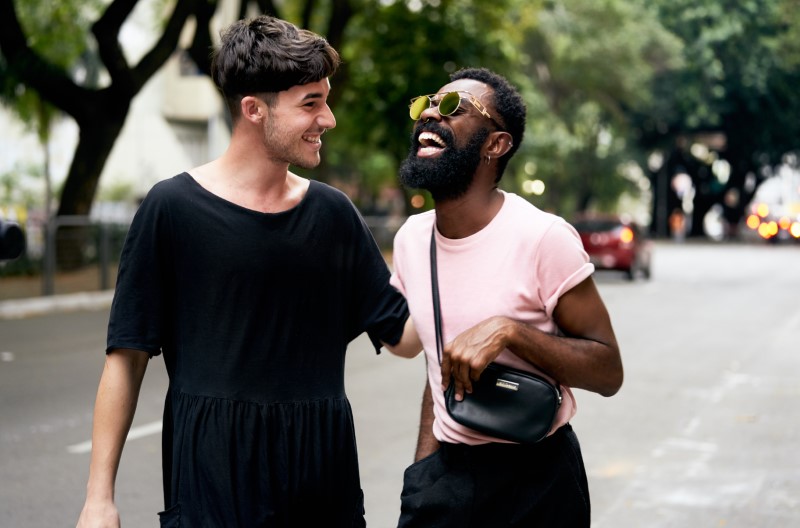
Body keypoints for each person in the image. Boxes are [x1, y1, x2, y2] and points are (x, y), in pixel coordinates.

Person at [76, 15, 419, 528]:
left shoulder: (334, 215)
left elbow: (405, 337)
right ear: (254, 110)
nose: (328, 119)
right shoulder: (171, 208)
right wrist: (99, 498)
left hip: (322, 485)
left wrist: (457, 248)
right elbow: (126, 358)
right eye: (311, 103)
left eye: (326, 99)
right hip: (212, 483)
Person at [388, 67, 624, 527]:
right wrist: (421, 475)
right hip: (445, 474)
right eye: (427, 104)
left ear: (497, 145)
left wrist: (510, 332)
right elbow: (435, 362)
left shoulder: (543, 237)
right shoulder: (411, 239)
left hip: (538, 481)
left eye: (454, 107)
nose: (432, 113)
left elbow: (608, 370)